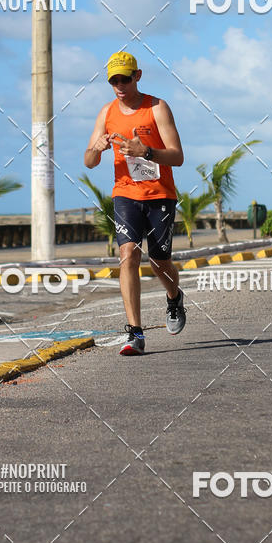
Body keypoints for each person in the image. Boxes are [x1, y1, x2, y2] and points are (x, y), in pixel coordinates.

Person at [84, 52, 185, 356]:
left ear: (137, 76)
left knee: (159, 261)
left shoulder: (157, 108)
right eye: (113, 80)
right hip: (125, 193)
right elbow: (88, 161)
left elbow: (178, 157)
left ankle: (173, 297)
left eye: (124, 79)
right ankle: (136, 333)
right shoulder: (106, 112)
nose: (119, 86)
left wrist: (146, 152)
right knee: (128, 255)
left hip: (160, 195)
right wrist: (97, 149)